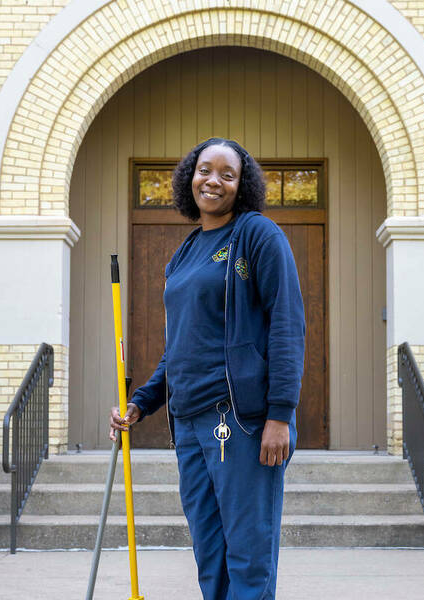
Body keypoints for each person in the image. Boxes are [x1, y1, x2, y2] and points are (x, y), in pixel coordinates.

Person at [109, 137, 305, 600]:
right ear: (189, 178)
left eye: (227, 174)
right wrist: (142, 402)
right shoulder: (185, 251)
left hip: (238, 420)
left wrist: (280, 414)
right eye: (204, 170)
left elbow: (287, 325)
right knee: (210, 553)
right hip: (190, 425)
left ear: (242, 185)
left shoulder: (257, 235)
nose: (213, 180)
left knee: (248, 552)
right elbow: (179, 345)